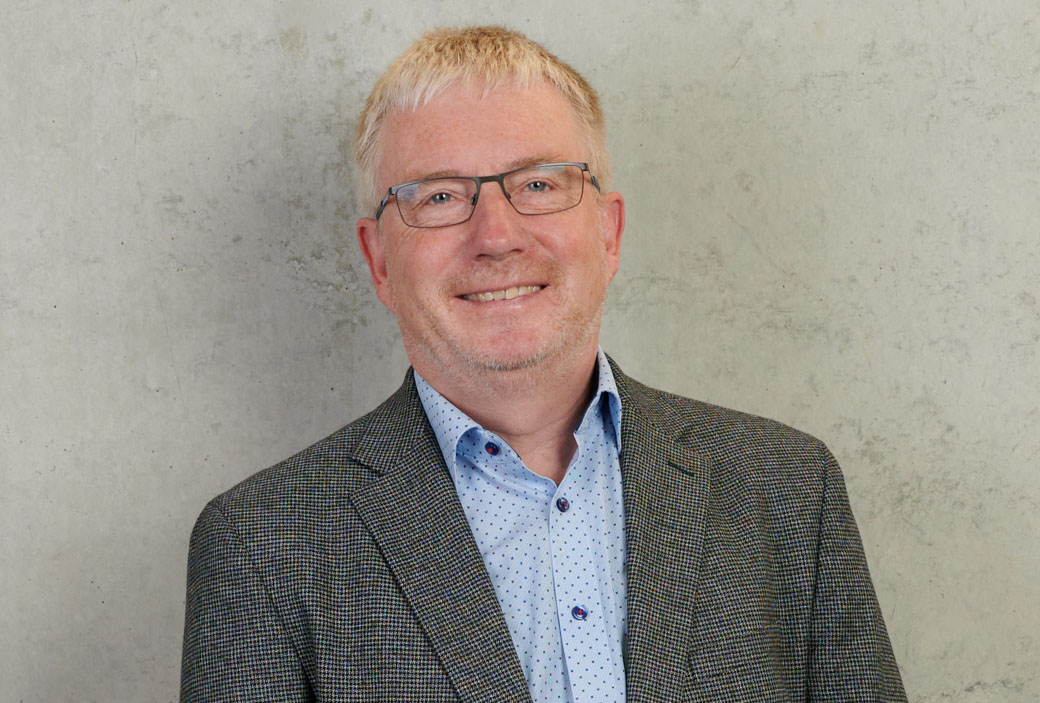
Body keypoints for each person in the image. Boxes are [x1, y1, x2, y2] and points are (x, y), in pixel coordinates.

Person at [180, 26, 906, 703]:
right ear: (378, 260)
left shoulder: (785, 489)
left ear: (609, 230)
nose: (496, 235)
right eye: (439, 196)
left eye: (538, 184)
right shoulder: (263, 545)